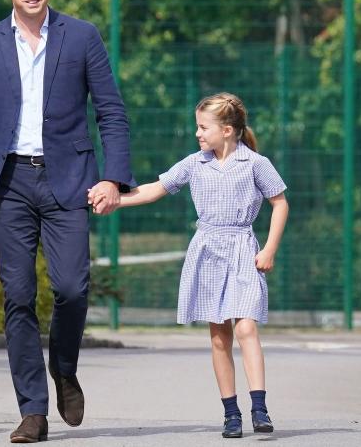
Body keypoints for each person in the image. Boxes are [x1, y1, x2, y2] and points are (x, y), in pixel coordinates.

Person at [0, 0, 135, 442]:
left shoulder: (82, 36)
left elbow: (112, 113)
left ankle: (65, 367)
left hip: (70, 180)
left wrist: (113, 179)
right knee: (18, 297)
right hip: (8, 183)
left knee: (72, 288)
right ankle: (33, 409)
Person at [102, 92, 288, 439]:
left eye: (204, 128)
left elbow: (280, 203)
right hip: (207, 252)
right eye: (197, 127)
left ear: (228, 130)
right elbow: (155, 189)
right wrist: (115, 200)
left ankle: (259, 407)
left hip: (243, 250)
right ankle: (231, 414)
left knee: (246, 328)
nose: (198, 134)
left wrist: (270, 250)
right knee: (219, 336)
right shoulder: (194, 163)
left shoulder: (256, 164)